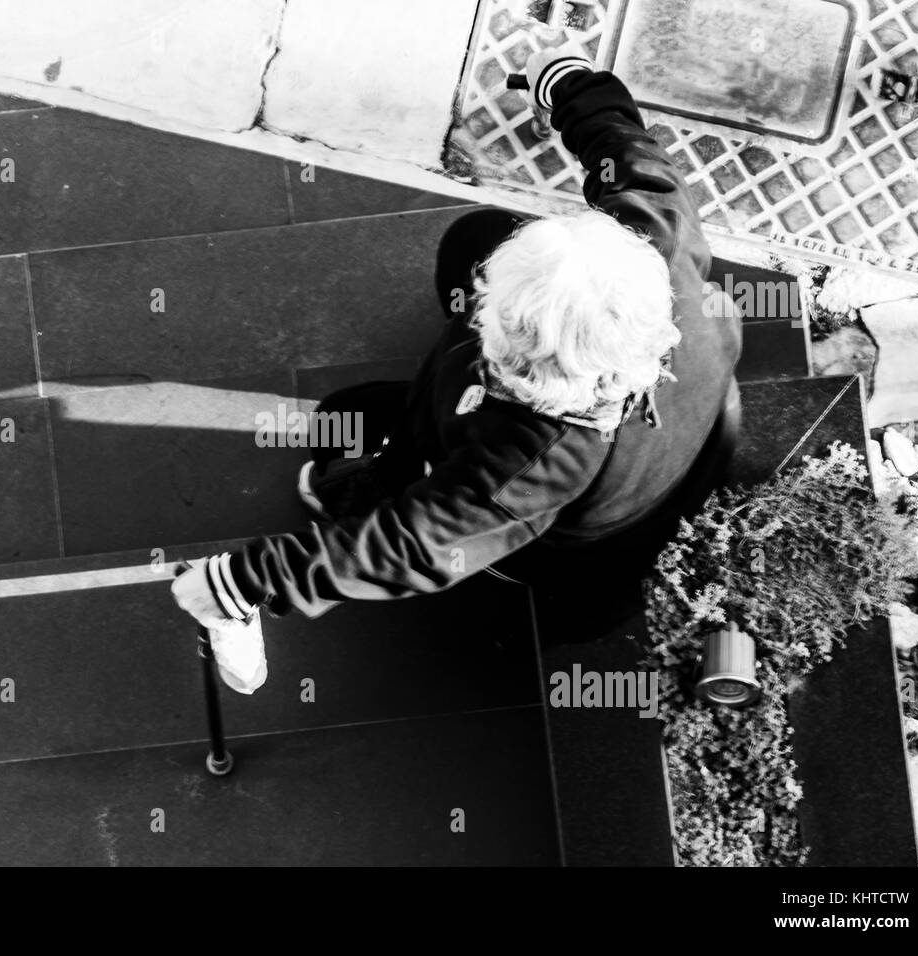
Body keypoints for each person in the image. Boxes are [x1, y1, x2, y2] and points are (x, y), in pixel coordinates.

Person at [173, 39, 742, 629]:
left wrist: (245, 582)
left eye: (494, 314)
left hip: (588, 525)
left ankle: (369, 489)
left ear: (525, 370)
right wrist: (569, 84)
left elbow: (414, 545)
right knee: (478, 237)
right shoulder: (655, 240)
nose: (481, 305)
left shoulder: (536, 457)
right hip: (702, 415)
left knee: (344, 418)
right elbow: (627, 148)